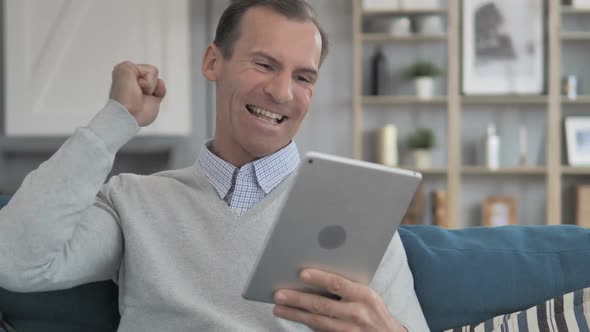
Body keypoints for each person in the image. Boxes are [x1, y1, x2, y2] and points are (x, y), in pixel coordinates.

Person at [0, 0, 429, 331]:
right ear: (212, 62)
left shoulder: (358, 221)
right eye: (264, 64)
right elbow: (16, 261)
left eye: (303, 77)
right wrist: (116, 119)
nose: (282, 92)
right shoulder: (133, 202)